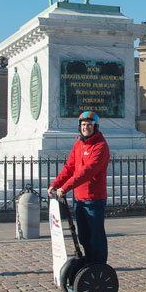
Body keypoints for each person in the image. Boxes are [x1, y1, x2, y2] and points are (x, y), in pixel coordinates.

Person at [48, 111, 110, 264]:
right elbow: (69, 167)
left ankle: (99, 265)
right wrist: (55, 185)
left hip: (94, 199)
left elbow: (86, 172)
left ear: (95, 127)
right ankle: (89, 262)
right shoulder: (79, 145)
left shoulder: (100, 147)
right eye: (83, 125)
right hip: (79, 198)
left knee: (96, 235)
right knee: (83, 235)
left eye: (89, 125)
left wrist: (65, 188)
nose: (85, 128)